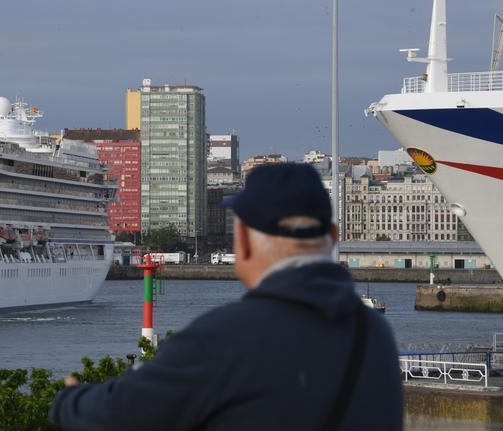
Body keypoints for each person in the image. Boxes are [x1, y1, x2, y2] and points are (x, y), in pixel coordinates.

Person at [49, 163, 403, 430]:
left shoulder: (224, 338)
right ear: (332, 236)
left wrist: (69, 399)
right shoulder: (374, 334)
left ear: (245, 242)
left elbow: (120, 415)